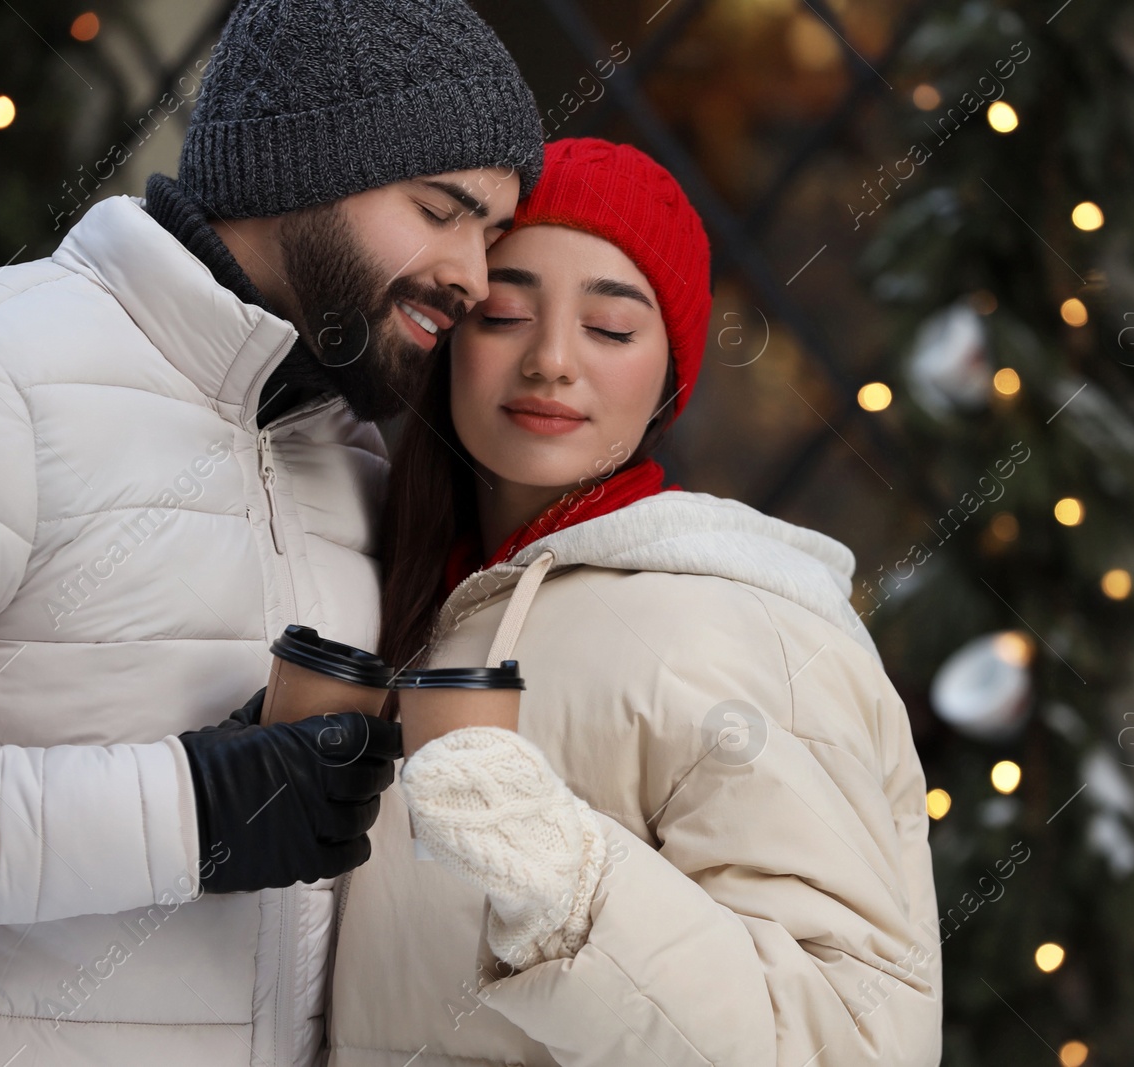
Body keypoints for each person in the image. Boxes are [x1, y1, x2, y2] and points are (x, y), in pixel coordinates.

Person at [0, 2, 542, 1064]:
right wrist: (191, 809)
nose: (473, 275)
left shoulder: (347, 457)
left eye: (491, 232)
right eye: (441, 208)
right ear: (297, 165)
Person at [326, 138, 942, 1065]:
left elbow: (846, 1040)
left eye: (611, 329)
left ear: (668, 380)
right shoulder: (402, 589)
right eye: (503, 314)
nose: (552, 360)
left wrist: (569, 886)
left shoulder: (739, 627)